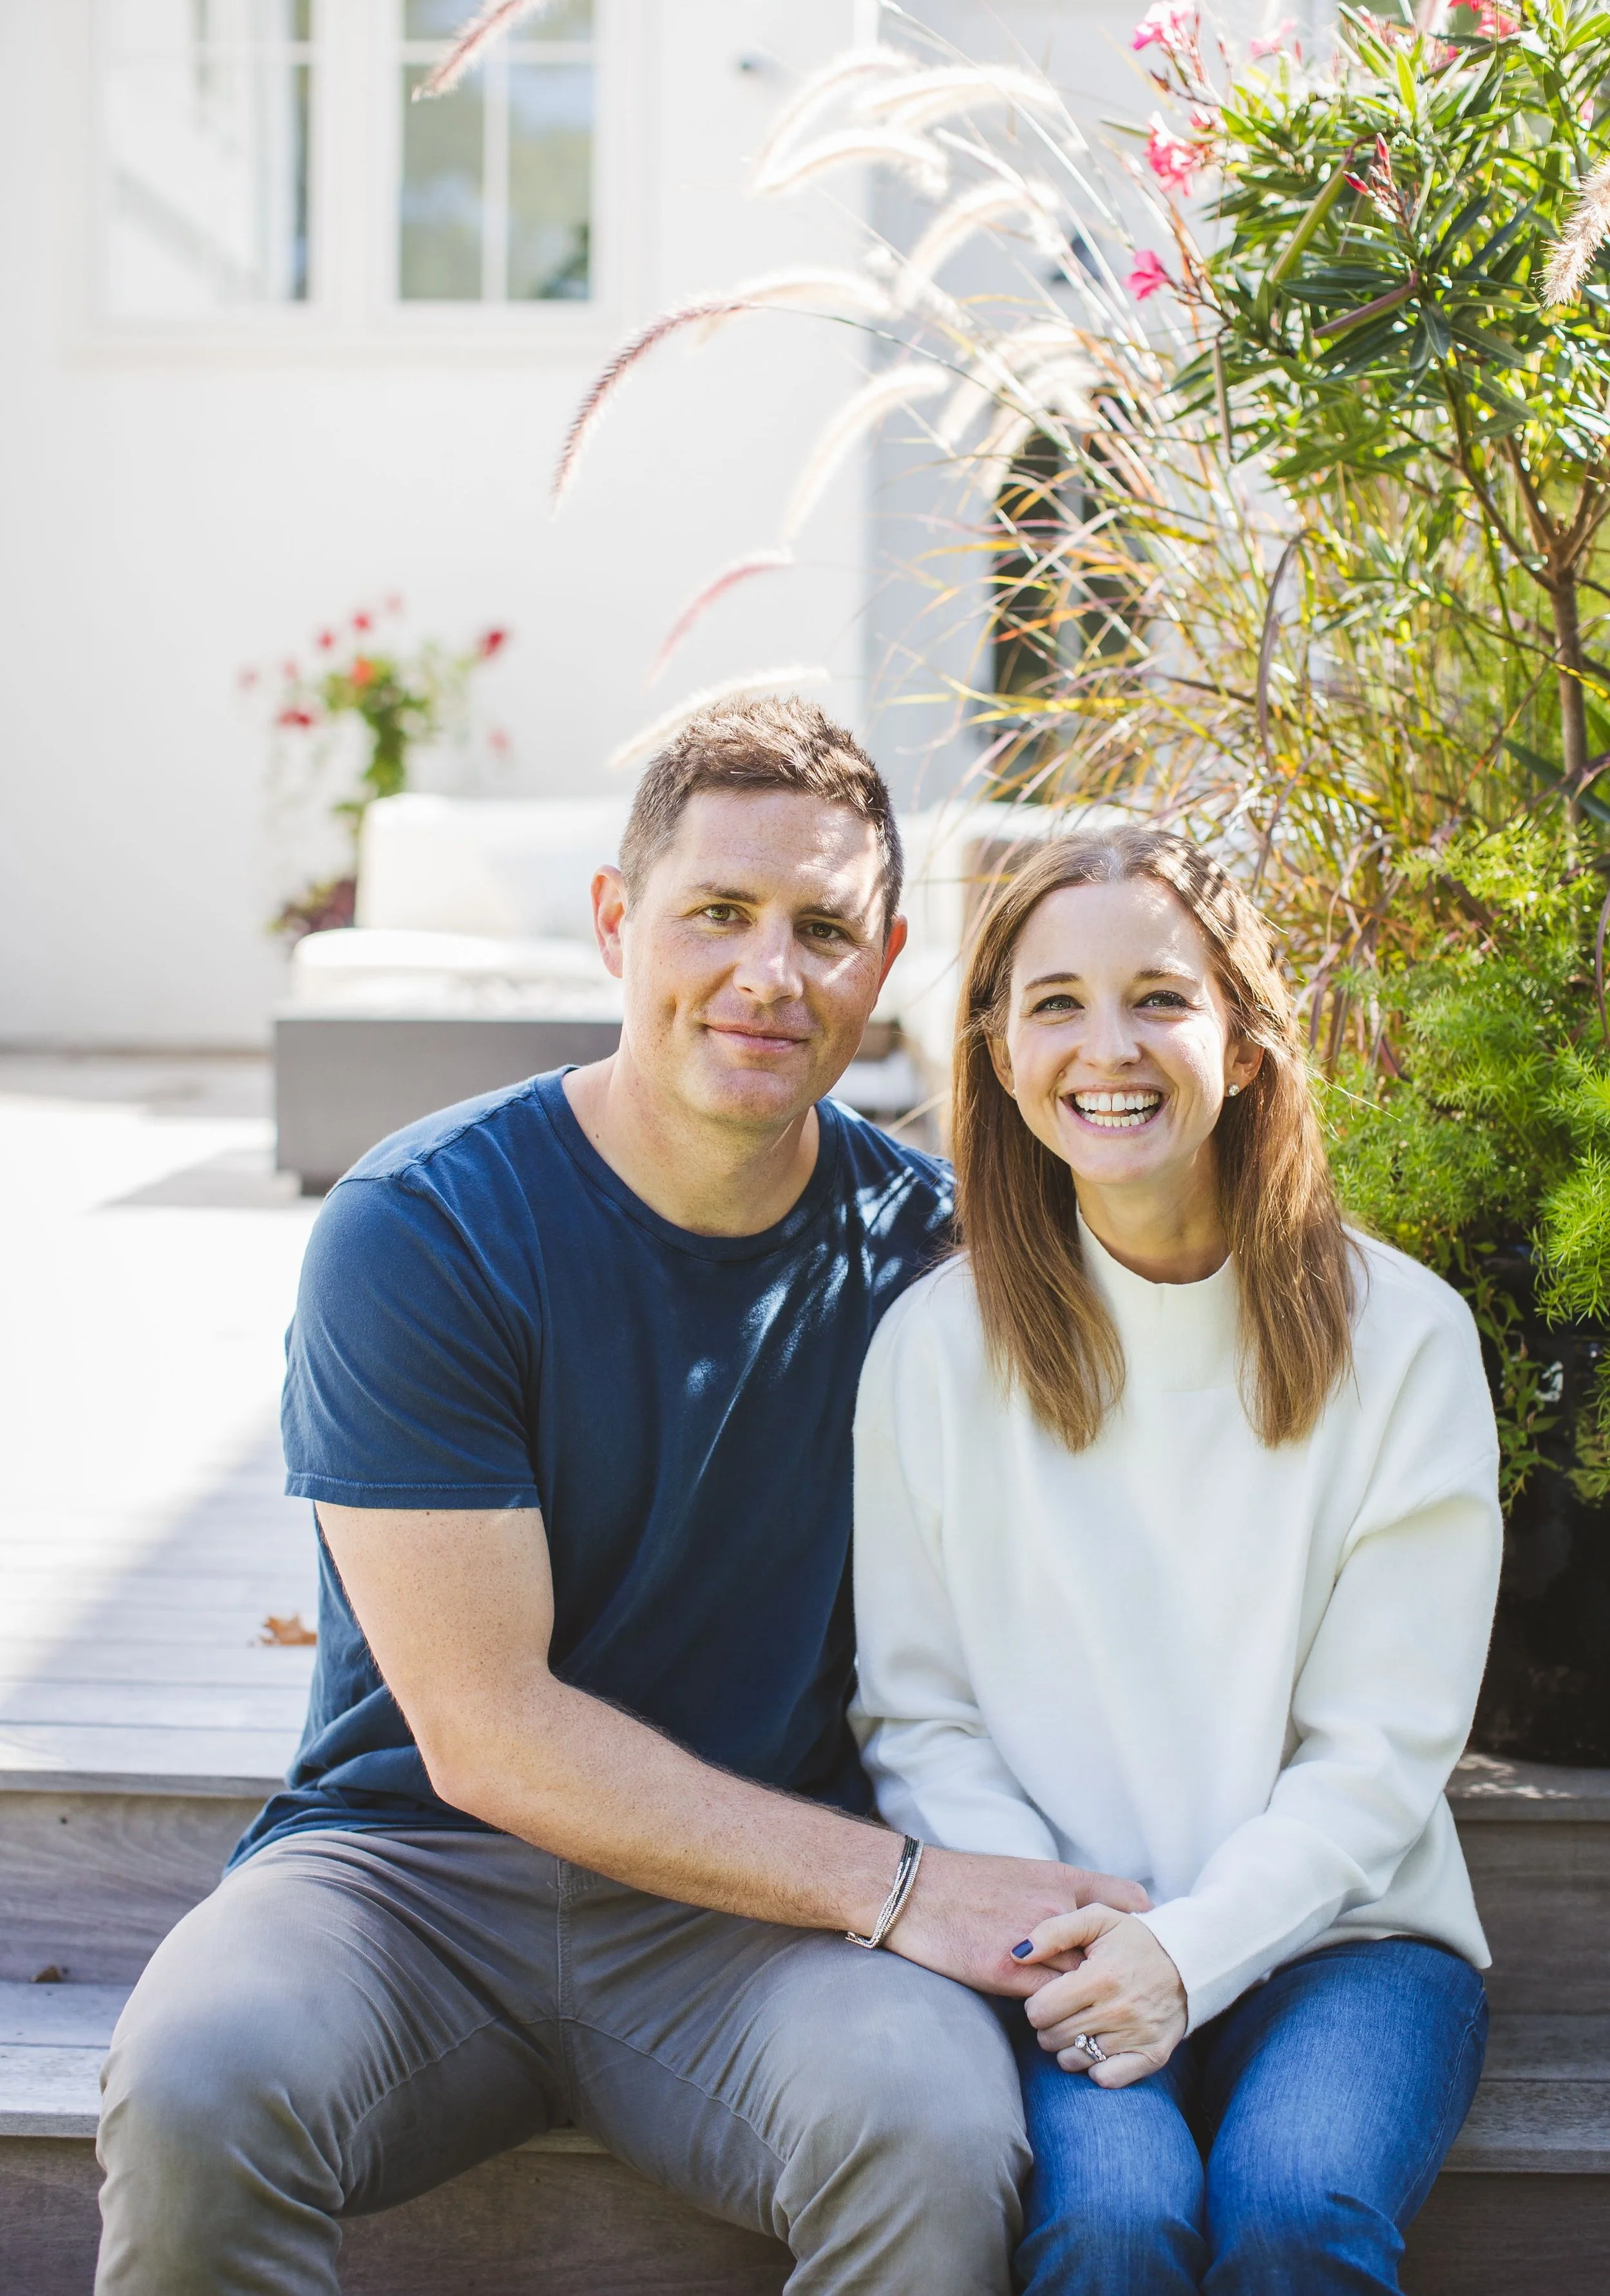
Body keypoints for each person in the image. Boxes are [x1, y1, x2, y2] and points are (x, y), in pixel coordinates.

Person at [95, 697, 1146, 2296]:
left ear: (884, 963)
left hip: (756, 1921)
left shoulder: (933, 1260)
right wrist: (906, 1890)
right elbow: (485, 1731)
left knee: (931, 2132)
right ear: (615, 922)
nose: (766, 974)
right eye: (715, 914)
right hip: (408, 1879)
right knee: (192, 2084)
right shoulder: (426, 1227)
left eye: (821, 928)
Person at [851, 826, 1502, 2295]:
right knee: (1113, 2219)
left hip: (1347, 1940)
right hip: (1056, 1941)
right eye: (1055, 1003)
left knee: (1291, 2208)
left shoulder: (1402, 1341)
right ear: (1001, 1056)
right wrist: (1075, 1941)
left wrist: (1195, 1953)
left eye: (1158, 995)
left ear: (1247, 1043)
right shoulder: (931, 1354)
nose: (1108, 1047)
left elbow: (1377, 1755)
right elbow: (916, 1715)